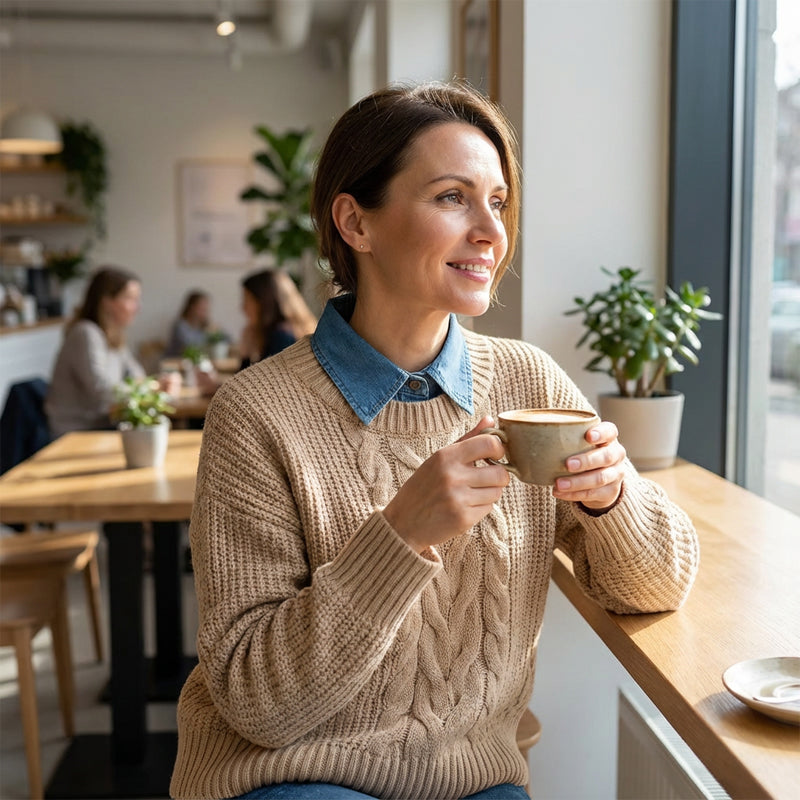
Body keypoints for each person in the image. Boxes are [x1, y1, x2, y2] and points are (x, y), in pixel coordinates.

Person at [171, 82, 699, 800]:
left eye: (498, 202)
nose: (491, 231)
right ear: (356, 223)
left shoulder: (527, 382)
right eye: (453, 197)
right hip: (294, 774)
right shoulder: (256, 414)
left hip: (471, 781)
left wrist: (613, 499)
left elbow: (658, 585)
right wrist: (400, 534)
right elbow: (259, 705)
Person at [45, 265, 178, 437]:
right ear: (106, 301)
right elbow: (102, 393)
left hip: (103, 426)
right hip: (77, 433)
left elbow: (137, 376)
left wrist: (158, 383)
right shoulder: (85, 333)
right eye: (130, 299)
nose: (138, 307)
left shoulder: (113, 337)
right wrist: (154, 386)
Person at [238, 269, 317, 369]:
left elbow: (256, 383)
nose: (243, 307)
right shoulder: (289, 330)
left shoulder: (281, 337)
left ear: (264, 303)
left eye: (248, 300)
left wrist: (246, 356)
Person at [165, 289, 228, 357]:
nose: (205, 313)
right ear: (191, 308)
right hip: (174, 363)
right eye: (202, 309)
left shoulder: (205, 326)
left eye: (206, 310)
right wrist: (209, 333)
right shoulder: (180, 325)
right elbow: (189, 346)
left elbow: (228, 340)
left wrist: (217, 333)